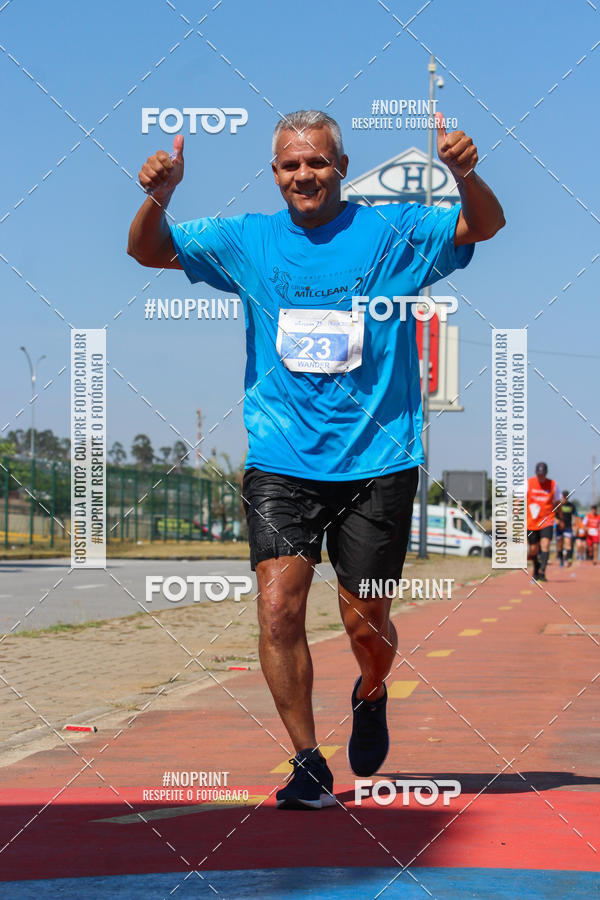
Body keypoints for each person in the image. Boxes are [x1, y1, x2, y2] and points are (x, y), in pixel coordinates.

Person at [127, 109, 505, 809]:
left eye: (318, 161)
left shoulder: (394, 232)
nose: (304, 174)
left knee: (365, 622)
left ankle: (371, 690)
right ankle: (307, 762)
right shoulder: (248, 240)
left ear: (341, 166)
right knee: (278, 609)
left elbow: (482, 226)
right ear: (275, 174)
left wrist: (466, 175)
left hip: (379, 459)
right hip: (281, 458)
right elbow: (148, 251)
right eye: (290, 165)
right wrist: (159, 196)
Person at [527, 462, 560, 581]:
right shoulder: (528, 483)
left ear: (546, 473)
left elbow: (557, 502)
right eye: (539, 474)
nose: (541, 477)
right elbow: (517, 500)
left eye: (543, 474)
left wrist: (560, 517)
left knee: (545, 544)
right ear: (536, 473)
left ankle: (542, 571)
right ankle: (536, 568)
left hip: (547, 520)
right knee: (533, 549)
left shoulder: (553, 485)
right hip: (531, 522)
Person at [555, 490, 577, 567]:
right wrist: (556, 521)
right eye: (564, 496)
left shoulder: (571, 506)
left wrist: (575, 525)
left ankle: (569, 559)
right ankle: (561, 560)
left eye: (566, 496)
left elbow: (575, 516)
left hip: (568, 527)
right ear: (561, 497)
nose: (565, 498)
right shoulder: (558, 505)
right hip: (559, 528)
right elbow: (552, 515)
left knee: (568, 543)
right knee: (560, 545)